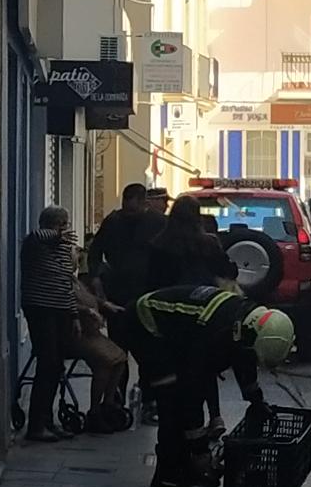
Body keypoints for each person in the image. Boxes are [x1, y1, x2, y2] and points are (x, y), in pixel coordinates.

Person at [117, 285, 294, 487]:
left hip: (176, 330)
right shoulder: (216, 333)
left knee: (181, 398)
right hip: (145, 326)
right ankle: (166, 478)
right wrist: (200, 450)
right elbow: (192, 393)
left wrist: (256, 400)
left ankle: (184, 468)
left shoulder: (244, 325)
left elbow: (244, 359)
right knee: (171, 401)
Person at [147, 196, 240, 437]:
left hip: (171, 313)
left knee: (177, 364)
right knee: (204, 363)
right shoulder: (207, 243)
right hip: (204, 310)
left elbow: (152, 282)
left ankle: (178, 419)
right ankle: (214, 415)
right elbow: (229, 271)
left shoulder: (159, 244)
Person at [87, 183, 167, 422]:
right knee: (118, 350)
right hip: (118, 296)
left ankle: (150, 400)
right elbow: (95, 252)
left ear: (144, 203)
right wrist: (96, 278)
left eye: (133, 209)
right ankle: (115, 399)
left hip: (147, 297)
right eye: (126, 208)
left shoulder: (158, 223)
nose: (128, 213)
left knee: (148, 352)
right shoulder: (113, 222)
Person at [20, 206, 81, 442]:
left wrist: (74, 315)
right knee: (47, 362)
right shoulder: (35, 243)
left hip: (61, 311)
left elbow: (67, 283)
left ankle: (47, 419)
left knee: (56, 366)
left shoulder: (63, 249)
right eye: (61, 224)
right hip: (40, 308)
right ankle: (36, 424)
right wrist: (56, 235)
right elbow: (36, 235)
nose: (65, 228)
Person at [69, 278, 129, 434]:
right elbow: (66, 304)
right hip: (78, 334)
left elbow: (90, 298)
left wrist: (104, 304)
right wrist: (87, 311)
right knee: (104, 361)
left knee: (120, 358)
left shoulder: (76, 281)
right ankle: (94, 412)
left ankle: (108, 403)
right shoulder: (61, 282)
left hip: (93, 333)